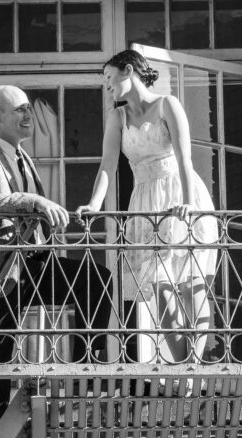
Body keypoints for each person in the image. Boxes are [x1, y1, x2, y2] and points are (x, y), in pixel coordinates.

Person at [0, 85, 112, 438]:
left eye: (30, 108)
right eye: (20, 109)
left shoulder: (24, 157)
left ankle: (83, 374)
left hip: (32, 262)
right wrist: (35, 200)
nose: (29, 115)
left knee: (94, 280)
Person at [76, 50, 218, 370]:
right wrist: (95, 204)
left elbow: (185, 159)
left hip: (180, 195)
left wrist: (188, 204)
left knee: (190, 283)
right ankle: (185, 370)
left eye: (110, 78)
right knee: (160, 288)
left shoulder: (168, 104)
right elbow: (107, 166)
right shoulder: (118, 117)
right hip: (145, 203)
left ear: (128, 71)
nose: (108, 87)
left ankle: (196, 364)